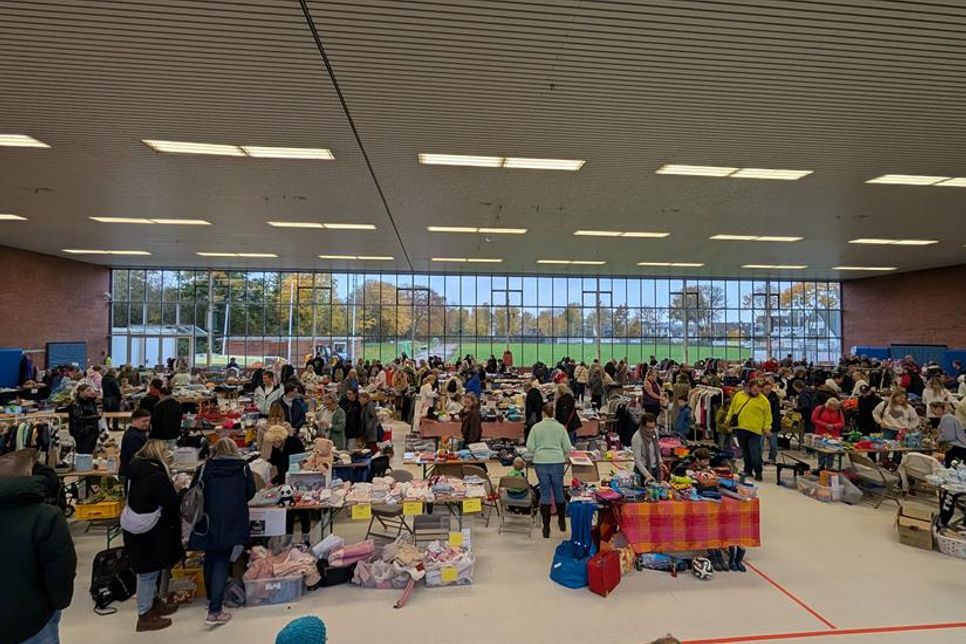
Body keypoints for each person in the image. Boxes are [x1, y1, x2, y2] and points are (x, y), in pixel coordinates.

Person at [0, 449, 77, 644]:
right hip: (34, 620)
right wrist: (58, 601)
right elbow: (60, 567)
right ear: (28, 474)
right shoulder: (46, 516)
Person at [187, 439, 256, 626]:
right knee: (221, 561)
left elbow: (194, 490)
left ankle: (211, 599)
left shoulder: (204, 468)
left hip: (207, 519)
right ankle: (215, 611)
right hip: (232, 519)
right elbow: (250, 492)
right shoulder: (242, 468)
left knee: (210, 558)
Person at [122, 440, 184, 632]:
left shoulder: (134, 473)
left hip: (136, 529)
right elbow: (171, 502)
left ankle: (154, 604)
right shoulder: (155, 476)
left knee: (150, 570)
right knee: (148, 574)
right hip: (151, 532)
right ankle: (145, 616)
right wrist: (180, 489)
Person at [526, 403, 573, 538]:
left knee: (545, 492)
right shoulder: (560, 428)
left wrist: (539, 451)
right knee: (559, 491)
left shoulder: (536, 427)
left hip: (541, 462)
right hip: (557, 461)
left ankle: (546, 529)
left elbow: (530, 447)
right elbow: (568, 447)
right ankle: (562, 522)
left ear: (543, 413)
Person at [726, 380, 772, 482]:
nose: (757, 391)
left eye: (759, 389)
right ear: (749, 387)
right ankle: (748, 470)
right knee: (745, 452)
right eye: (755, 389)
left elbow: (768, 416)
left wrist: (767, 428)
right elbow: (732, 409)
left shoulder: (764, 401)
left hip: (755, 431)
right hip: (740, 428)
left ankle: (758, 472)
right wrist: (728, 421)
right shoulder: (739, 395)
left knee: (755, 453)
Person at [811, 398, 846, 470]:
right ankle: (821, 467)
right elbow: (814, 419)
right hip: (821, 434)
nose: (836, 409)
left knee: (831, 452)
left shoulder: (839, 411)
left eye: (837, 407)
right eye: (834, 407)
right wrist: (825, 425)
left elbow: (842, 423)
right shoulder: (820, 409)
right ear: (829, 405)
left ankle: (829, 467)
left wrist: (834, 426)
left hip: (834, 435)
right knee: (821, 452)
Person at [68, 383, 101, 454]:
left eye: (91, 390)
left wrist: (94, 398)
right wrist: (96, 417)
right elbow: (78, 417)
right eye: (88, 390)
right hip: (81, 432)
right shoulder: (76, 403)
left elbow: (94, 411)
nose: (91, 392)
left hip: (93, 431)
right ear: (81, 392)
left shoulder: (91, 401)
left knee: (90, 451)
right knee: (83, 452)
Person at [120, 408, 153, 478]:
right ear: (134, 420)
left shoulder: (138, 433)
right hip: (132, 475)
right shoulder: (133, 437)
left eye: (148, 421)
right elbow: (138, 458)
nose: (147, 424)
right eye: (144, 421)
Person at [632, 412, 662, 483]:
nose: (650, 430)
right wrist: (647, 475)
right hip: (642, 470)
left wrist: (660, 462)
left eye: (652, 427)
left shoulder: (655, 432)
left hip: (654, 468)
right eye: (648, 428)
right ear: (642, 425)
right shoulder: (637, 437)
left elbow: (657, 449)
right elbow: (637, 460)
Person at [938, 402, 966, 467]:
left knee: (952, 470)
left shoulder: (947, 418)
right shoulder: (950, 417)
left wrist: (939, 440)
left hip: (956, 449)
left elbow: (949, 436)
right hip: (959, 448)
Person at [763, 380, 782, 465]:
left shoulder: (775, 397)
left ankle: (772, 458)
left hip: (773, 424)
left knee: (774, 445)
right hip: (760, 424)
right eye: (766, 389)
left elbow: (776, 412)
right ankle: (758, 459)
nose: (768, 391)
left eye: (769, 389)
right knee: (759, 445)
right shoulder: (759, 397)